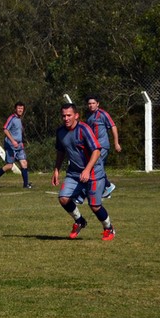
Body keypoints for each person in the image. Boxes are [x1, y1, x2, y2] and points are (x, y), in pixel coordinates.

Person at [51, 103, 115, 241]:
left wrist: (87, 170)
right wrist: (56, 170)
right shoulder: (60, 132)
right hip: (74, 173)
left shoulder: (84, 129)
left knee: (95, 206)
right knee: (63, 198)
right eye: (63, 116)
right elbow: (60, 151)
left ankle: (109, 228)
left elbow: (97, 151)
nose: (66, 118)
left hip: (94, 172)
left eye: (69, 115)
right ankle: (79, 221)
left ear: (76, 115)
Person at [84, 95, 121, 199]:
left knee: (95, 165)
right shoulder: (89, 116)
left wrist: (116, 143)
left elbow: (113, 126)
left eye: (93, 103)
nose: (91, 105)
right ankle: (106, 189)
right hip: (93, 146)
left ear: (98, 104)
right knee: (96, 167)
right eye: (89, 103)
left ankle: (108, 186)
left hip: (102, 146)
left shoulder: (103, 114)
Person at [0, 101, 31, 189]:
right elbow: (5, 129)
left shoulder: (19, 119)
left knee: (24, 163)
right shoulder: (11, 118)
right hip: (11, 146)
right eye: (19, 108)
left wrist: (21, 142)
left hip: (19, 146)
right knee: (9, 166)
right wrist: (12, 141)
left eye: (22, 108)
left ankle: (26, 184)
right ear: (15, 109)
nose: (20, 110)